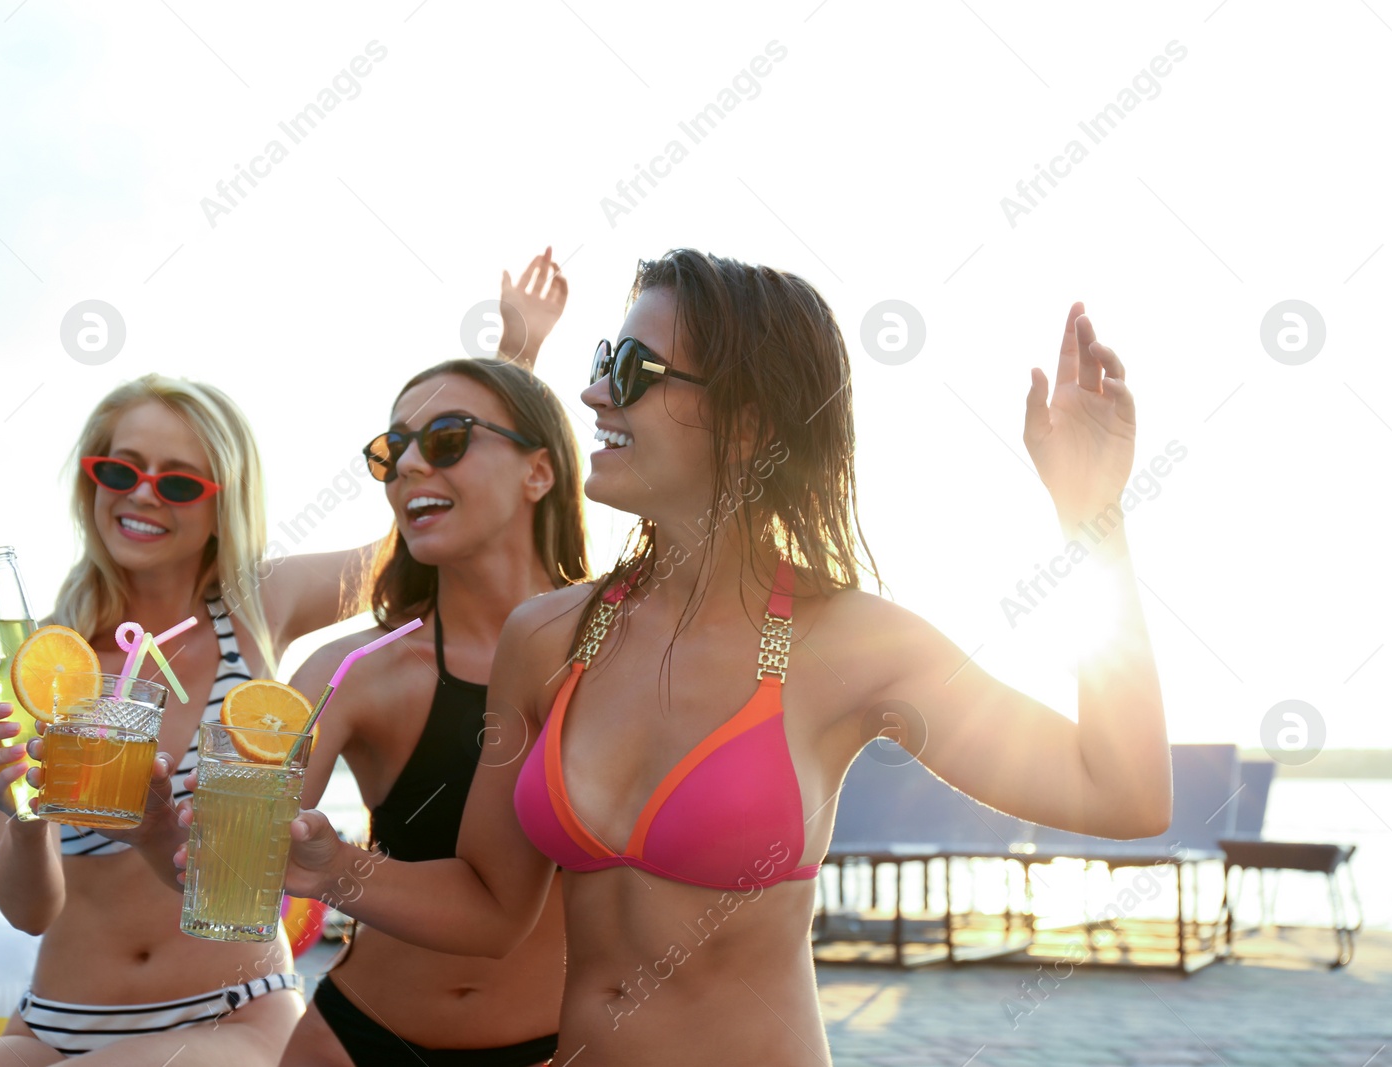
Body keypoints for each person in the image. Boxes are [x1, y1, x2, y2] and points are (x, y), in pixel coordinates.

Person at [265, 249, 1171, 1066]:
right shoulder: (546, 637)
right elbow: (492, 906)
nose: (594, 396)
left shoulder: (851, 642)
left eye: (630, 369)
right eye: (597, 364)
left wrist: (1095, 519)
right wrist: (332, 867)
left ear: (746, 421)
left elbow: (1120, 792)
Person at [0, 373, 366, 1065]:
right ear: (92, 483)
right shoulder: (33, 661)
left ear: (223, 501)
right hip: (55, 1020)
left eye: (178, 483)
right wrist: (18, 811)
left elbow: (409, 555)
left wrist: (512, 363)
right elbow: (30, 911)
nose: (141, 492)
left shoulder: (258, 605)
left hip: (235, 1013)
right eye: (119, 468)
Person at [270, 353, 585, 1066]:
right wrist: (161, 826)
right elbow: (235, 847)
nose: (410, 463)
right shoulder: (352, 671)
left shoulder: (618, 650)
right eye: (393, 449)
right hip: (355, 1040)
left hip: (563, 1046)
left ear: (540, 470)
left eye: (446, 438)